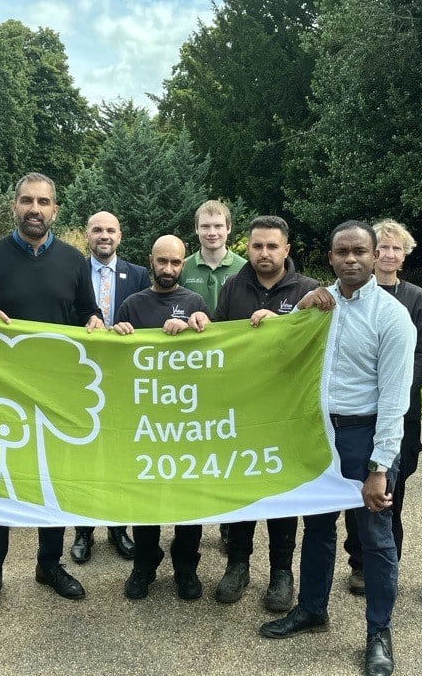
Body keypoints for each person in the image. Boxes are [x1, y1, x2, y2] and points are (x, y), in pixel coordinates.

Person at [260, 220, 415, 676]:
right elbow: (280, 353)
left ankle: (379, 633)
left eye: (359, 252)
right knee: (318, 526)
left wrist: (380, 466)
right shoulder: (317, 304)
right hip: (316, 433)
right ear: (329, 257)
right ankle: (312, 609)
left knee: (375, 535)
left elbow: (395, 399)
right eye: (341, 252)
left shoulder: (391, 317)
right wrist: (299, 312)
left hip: (364, 435)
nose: (350, 259)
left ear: (374, 257)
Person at [0, 172, 104, 613]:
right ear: (14, 206)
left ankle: (49, 564)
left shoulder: (74, 262)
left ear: (56, 210)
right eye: (27, 200)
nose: (35, 209)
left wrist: (95, 320)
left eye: (43, 202)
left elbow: (87, 311)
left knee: (51, 481)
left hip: (57, 393)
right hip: (2, 394)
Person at [203, 216, 320, 612]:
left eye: (272, 246)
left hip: (287, 412)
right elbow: (220, 337)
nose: (264, 253)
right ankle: (238, 564)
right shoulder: (235, 286)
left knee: (281, 492)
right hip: (241, 410)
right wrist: (201, 324)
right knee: (243, 488)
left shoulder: (308, 291)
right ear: (247, 249)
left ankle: (281, 572)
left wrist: (283, 325)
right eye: (256, 246)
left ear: (287, 249)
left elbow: (322, 341)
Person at [113, 235, 211, 600]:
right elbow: (114, 365)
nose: (168, 269)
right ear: (150, 261)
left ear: (183, 264)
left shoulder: (195, 302)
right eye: (162, 262)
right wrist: (115, 333)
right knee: (146, 496)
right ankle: (144, 565)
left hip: (188, 420)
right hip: (145, 421)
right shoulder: (132, 304)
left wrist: (197, 328)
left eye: (175, 263)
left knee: (190, 496)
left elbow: (216, 358)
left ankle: (186, 566)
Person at [343, 220, 422, 595]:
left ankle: (385, 558)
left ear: (404, 255)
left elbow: (421, 353)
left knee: (389, 489)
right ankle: (359, 560)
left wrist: (394, 395)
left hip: (398, 411)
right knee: (352, 492)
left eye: (397, 249)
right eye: (383, 248)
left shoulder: (414, 299)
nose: (389, 255)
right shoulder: (342, 298)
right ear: (372, 253)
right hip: (355, 416)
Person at [70, 210, 149, 564]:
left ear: (120, 235)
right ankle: (84, 530)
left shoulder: (139, 275)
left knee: (121, 454)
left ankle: (119, 527)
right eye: (97, 230)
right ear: (86, 235)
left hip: (124, 379)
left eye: (111, 230)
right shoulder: (71, 272)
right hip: (81, 375)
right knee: (85, 454)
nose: (104, 235)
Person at [180, 198, 245, 548]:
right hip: (190, 374)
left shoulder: (245, 268)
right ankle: (191, 513)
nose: (212, 232)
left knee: (229, 446)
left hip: (233, 371)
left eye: (218, 225)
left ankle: (228, 523)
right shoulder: (182, 266)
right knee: (194, 443)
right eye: (205, 226)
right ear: (197, 229)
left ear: (229, 229)